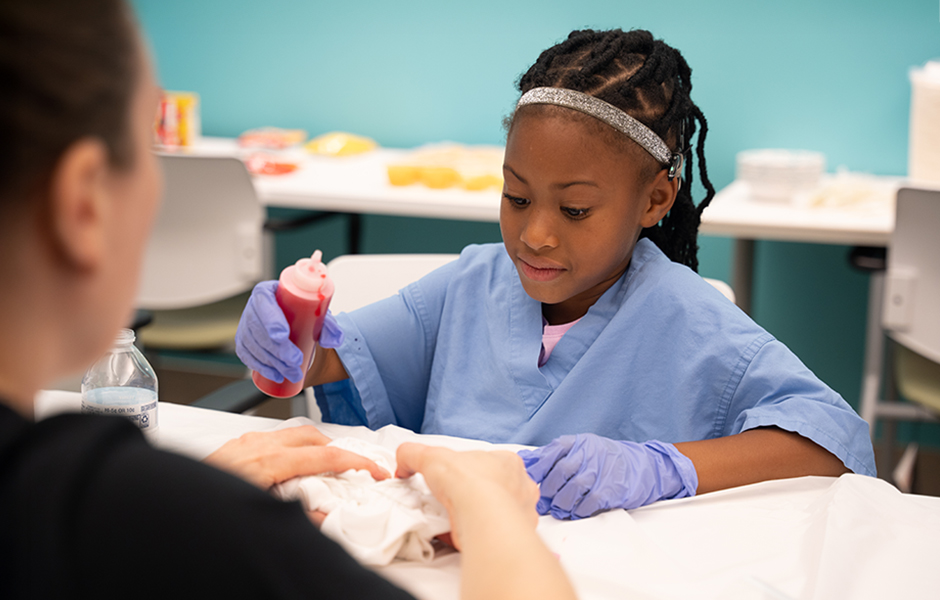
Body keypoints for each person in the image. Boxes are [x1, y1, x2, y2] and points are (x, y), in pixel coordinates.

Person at [0, 2, 577, 599]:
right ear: (84, 205)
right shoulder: (143, 520)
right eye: (148, 149)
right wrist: (496, 513)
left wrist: (184, 496)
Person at [236, 29, 876, 521]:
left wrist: (660, 468)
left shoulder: (683, 314)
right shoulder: (469, 285)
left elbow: (833, 440)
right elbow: (337, 359)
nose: (535, 234)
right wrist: (290, 338)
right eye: (517, 197)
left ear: (655, 200)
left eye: (574, 209)